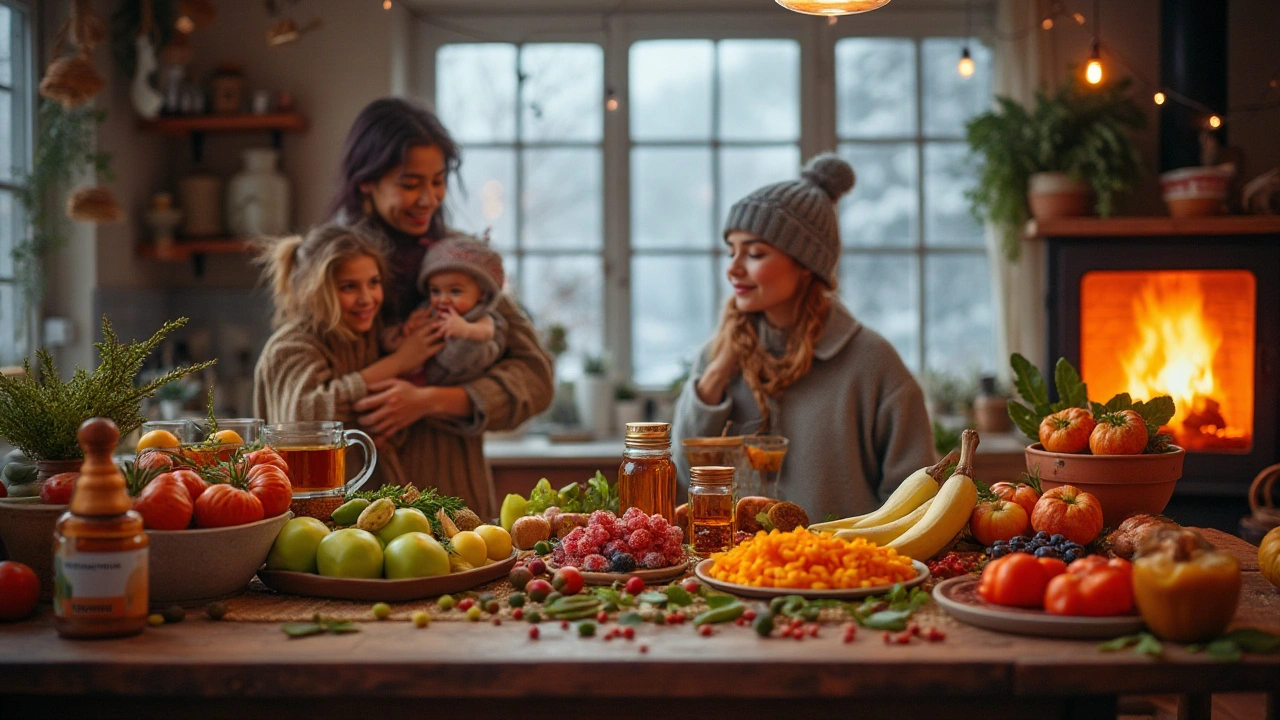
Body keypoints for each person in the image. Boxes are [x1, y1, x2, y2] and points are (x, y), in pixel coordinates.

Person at [672, 154, 937, 522]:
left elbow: (913, 500)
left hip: (839, 573)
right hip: (731, 574)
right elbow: (682, 483)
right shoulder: (715, 357)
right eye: (731, 251)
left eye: (755, 253)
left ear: (806, 265)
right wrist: (717, 375)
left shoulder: (872, 363)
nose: (733, 268)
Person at [328, 97, 555, 516]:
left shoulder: (460, 263)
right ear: (365, 180)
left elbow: (536, 378)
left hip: (455, 503)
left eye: (438, 181)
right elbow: (301, 407)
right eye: (410, 183)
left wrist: (431, 399)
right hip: (353, 509)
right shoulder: (325, 268)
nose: (428, 198)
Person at [252, 223, 441, 487]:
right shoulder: (292, 344)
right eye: (349, 287)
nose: (367, 298)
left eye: (374, 283)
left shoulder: (368, 337)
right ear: (314, 289)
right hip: (309, 508)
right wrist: (398, 363)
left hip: (367, 500)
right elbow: (304, 419)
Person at [381, 234, 507, 388]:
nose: (443, 299)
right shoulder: (431, 309)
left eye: (455, 291)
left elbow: (487, 332)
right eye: (435, 291)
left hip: (460, 376)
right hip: (423, 373)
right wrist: (410, 327)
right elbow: (416, 330)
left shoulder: (479, 316)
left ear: (481, 293)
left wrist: (465, 329)